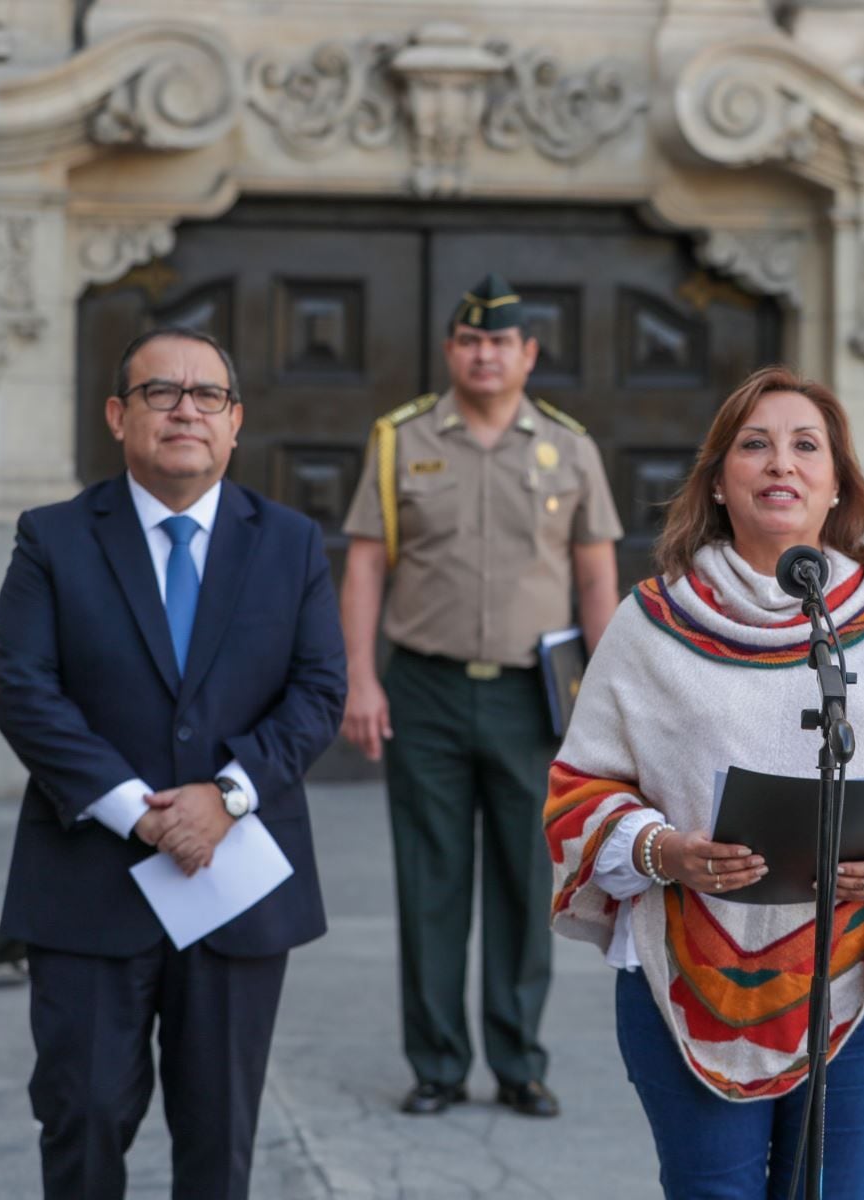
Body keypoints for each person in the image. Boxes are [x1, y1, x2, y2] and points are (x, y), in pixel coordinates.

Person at [543, 365, 864, 1199]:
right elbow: (579, 786)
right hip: (686, 959)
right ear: (719, 482)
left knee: (830, 1190)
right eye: (754, 445)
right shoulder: (653, 622)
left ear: (836, 485)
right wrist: (661, 848)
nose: (781, 463)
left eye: (805, 447)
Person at [0, 327, 347, 1199]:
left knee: (220, 1137)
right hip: (88, 882)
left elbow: (318, 690)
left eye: (208, 396)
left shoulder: (291, 542)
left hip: (237, 880)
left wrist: (227, 795)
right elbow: (24, 689)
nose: (186, 409)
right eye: (160, 392)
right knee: (82, 1117)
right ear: (118, 416)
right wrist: (138, 811)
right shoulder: (55, 538)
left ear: (235, 423)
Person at [338, 273, 622, 1119]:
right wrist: (361, 677)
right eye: (470, 341)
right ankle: (436, 1062)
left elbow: (597, 576)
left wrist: (603, 702)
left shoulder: (572, 448)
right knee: (430, 881)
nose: (484, 355)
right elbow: (363, 563)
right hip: (423, 685)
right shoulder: (400, 440)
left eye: (500, 342)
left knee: (522, 881)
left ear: (527, 353)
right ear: (450, 350)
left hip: (534, 698)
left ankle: (518, 1060)